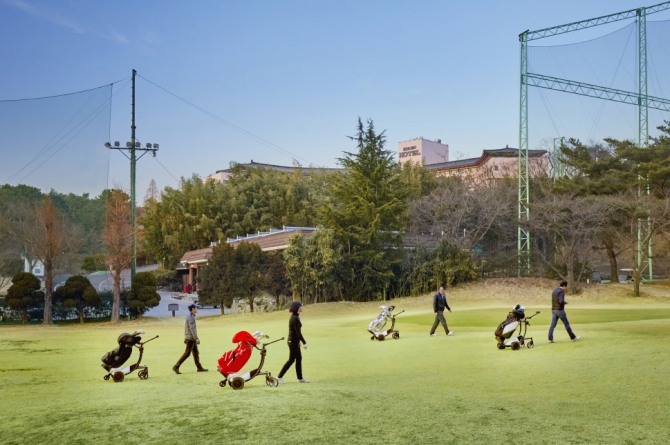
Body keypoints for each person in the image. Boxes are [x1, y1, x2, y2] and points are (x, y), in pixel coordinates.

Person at [277, 301, 309, 384]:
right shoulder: (294, 318)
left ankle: (300, 378)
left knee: (298, 359)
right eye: (301, 306)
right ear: (297, 308)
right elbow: (298, 333)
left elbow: (297, 333)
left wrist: (299, 342)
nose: (302, 307)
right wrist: (304, 342)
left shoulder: (296, 316)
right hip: (293, 342)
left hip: (295, 341)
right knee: (291, 360)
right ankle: (279, 377)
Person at [172, 304, 208, 374]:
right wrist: (196, 338)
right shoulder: (190, 317)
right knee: (187, 353)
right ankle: (176, 366)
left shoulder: (191, 317)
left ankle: (199, 367)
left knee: (195, 353)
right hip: (191, 338)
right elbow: (192, 329)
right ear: (193, 309)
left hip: (191, 338)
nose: (197, 309)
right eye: (196, 308)